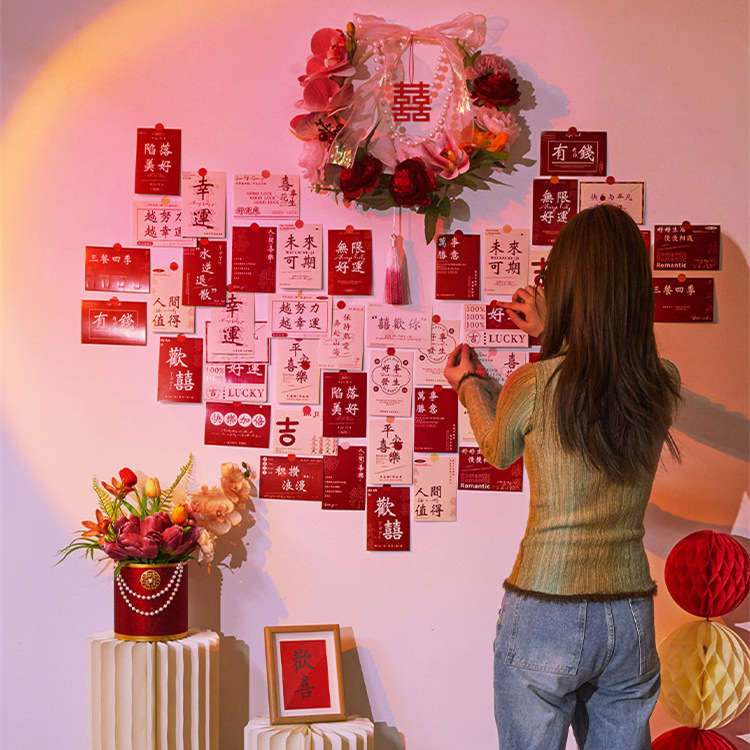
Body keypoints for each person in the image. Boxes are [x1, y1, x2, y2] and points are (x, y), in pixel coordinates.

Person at [443, 204, 681, 750]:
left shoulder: (533, 383)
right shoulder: (660, 382)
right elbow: (598, 381)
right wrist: (557, 332)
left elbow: (499, 449)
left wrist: (470, 387)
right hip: (629, 612)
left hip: (545, 604)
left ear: (566, 288)